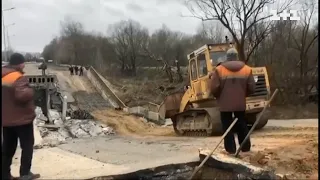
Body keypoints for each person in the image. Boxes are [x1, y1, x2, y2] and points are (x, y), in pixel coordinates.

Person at [209, 48, 255, 154]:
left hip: (225, 105)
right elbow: (252, 88)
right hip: (240, 104)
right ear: (237, 56)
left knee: (227, 126)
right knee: (242, 124)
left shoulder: (219, 70)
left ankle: (231, 150)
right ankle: (245, 148)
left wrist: (219, 97)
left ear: (227, 57)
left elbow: (214, 88)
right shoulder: (247, 69)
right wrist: (243, 95)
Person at [2, 53, 40, 180]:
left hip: (6, 120)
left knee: (8, 149)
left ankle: (4, 174)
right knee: (27, 146)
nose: (24, 65)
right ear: (19, 63)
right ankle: (25, 174)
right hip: (22, 120)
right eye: (23, 63)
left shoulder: (3, 75)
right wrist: (31, 90)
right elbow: (21, 96)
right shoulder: (18, 77)